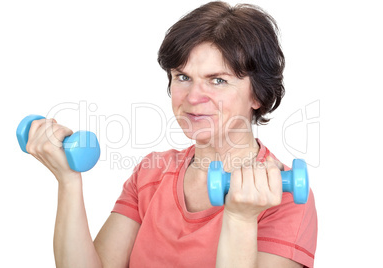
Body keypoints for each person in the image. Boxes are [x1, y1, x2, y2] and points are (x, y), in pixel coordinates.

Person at [26, 1, 317, 267]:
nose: (193, 97)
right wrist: (68, 180)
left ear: (258, 95)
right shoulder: (152, 173)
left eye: (217, 80)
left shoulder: (285, 197)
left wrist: (240, 218)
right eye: (183, 77)